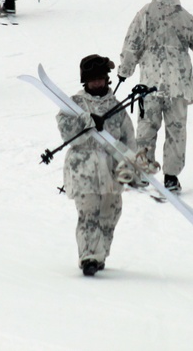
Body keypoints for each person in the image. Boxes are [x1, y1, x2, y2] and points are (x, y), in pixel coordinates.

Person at [116, 0, 193, 193]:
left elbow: (131, 47)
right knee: (176, 130)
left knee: (146, 128)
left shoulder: (144, 15)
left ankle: (142, 172)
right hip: (178, 86)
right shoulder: (184, 16)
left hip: (150, 85)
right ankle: (171, 177)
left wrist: (124, 72)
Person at [56, 55, 136, 276]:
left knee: (111, 214)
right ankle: (88, 256)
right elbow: (67, 134)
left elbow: (128, 139)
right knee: (88, 215)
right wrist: (85, 121)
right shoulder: (73, 104)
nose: (97, 83)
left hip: (111, 171)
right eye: (92, 80)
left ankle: (100, 255)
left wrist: (132, 165)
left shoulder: (117, 107)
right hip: (84, 171)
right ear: (85, 81)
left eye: (100, 79)